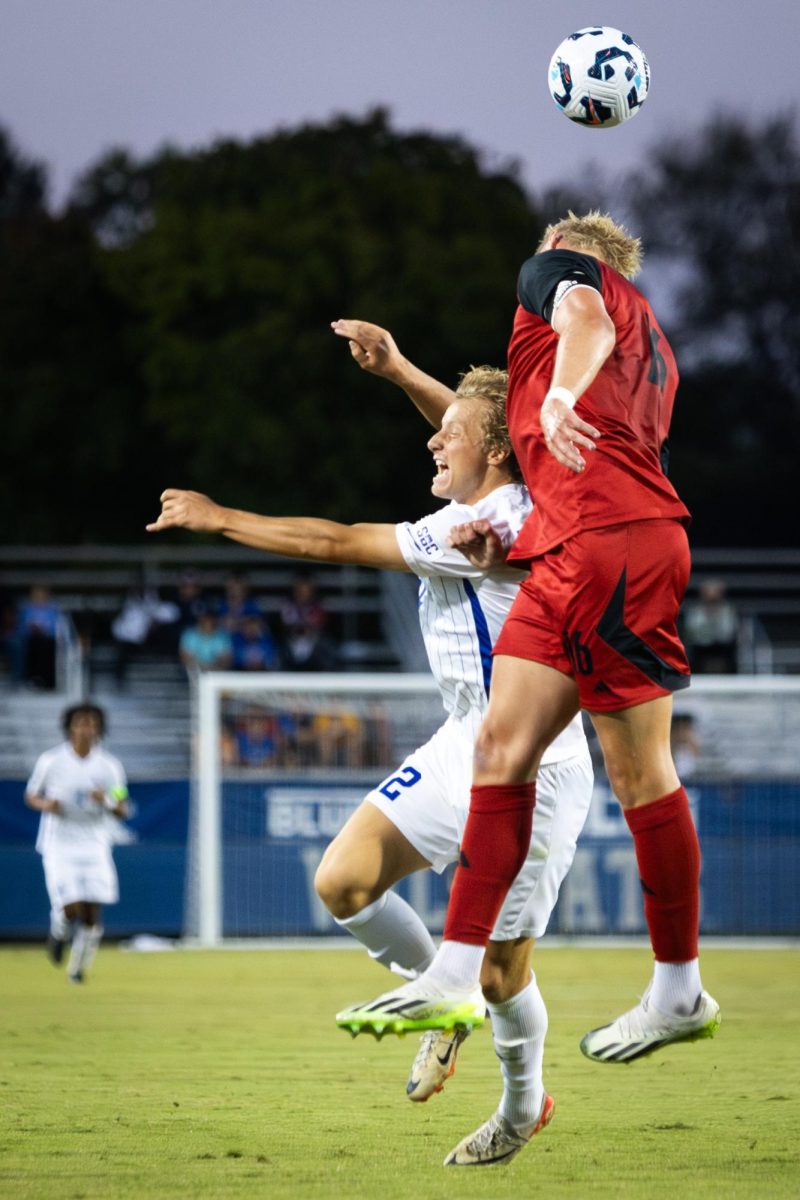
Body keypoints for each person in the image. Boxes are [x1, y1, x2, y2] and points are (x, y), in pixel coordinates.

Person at [146, 321, 593, 1166]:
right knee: (343, 880)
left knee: (503, 974)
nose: (432, 438)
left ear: (495, 449)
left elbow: (332, 541)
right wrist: (399, 372)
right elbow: (476, 425)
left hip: (537, 765)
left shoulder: (482, 528)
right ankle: (442, 1004)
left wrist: (219, 518)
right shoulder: (496, 489)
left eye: (448, 434)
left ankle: (522, 1104)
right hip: (466, 736)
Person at [339, 212, 721, 1150]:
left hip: (609, 545)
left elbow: (578, 327)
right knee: (502, 746)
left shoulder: (565, 285)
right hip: (585, 546)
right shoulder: (645, 343)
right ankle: (454, 970)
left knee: (641, 776)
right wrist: (409, 379)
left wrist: (560, 397)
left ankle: (678, 987)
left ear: (574, 245)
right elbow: (497, 432)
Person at [24, 703, 130, 984]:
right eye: (81, 723)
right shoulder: (51, 761)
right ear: (70, 727)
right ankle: (59, 929)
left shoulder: (109, 766)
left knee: (92, 913)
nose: (86, 729)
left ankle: (77, 969)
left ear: (99, 728)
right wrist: (47, 804)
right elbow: (31, 795)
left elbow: (122, 806)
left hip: (94, 842)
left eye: (92, 723)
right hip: (59, 842)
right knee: (70, 905)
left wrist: (105, 800)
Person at [682, 578, 739, 674]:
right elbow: (692, 631)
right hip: (701, 646)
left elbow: (729, 632)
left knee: (729, 649)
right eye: (708, 593)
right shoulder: (695, 611)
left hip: (723, 646)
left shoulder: (727, 610)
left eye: (715, 593)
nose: (711, 597)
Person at [178, 607, 233, 675]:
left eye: (210, 621)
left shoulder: (222, 637)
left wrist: (211, 668)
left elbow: (226, 660)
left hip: (216, 672)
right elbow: (185, 658)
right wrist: (200, 667)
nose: (208, 623)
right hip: (193, 672)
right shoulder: (189, 634)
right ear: (200, 621)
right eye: (205, 620)